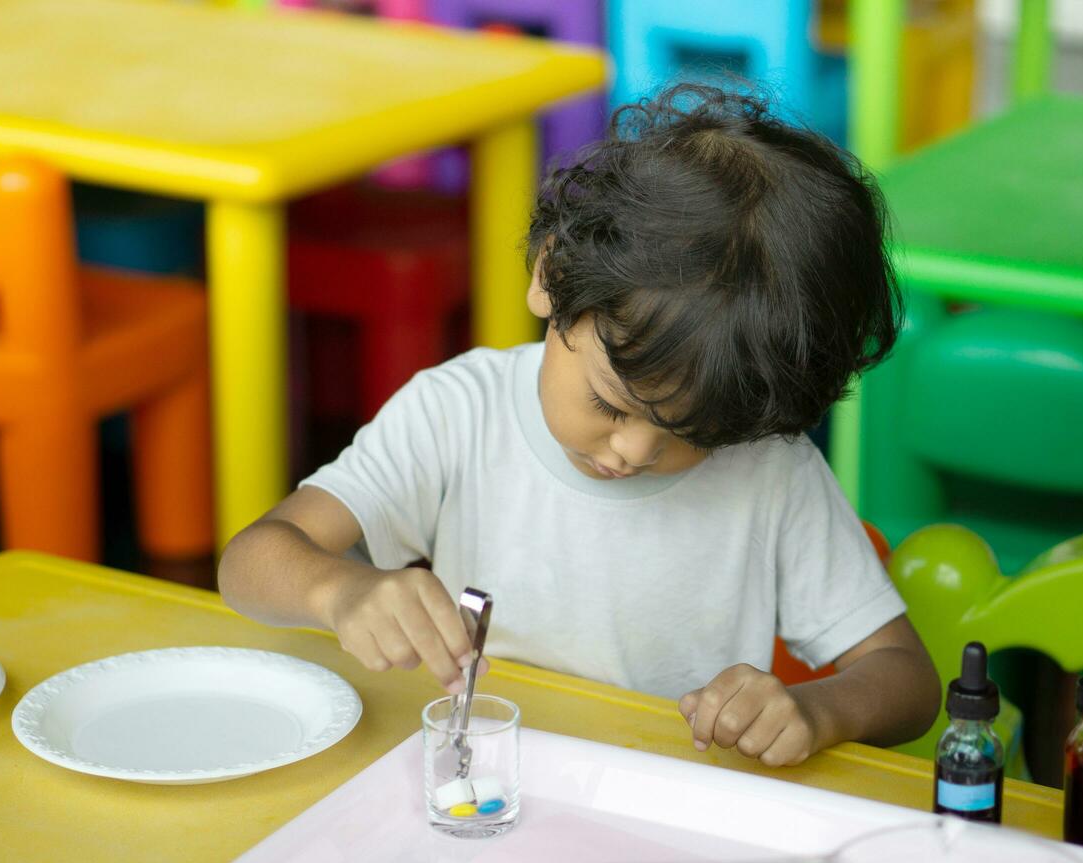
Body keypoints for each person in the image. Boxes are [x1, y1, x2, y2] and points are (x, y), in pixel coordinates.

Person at [219, 83, 942, 766]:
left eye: (695, 433)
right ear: (551, 274)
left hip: (664, 814)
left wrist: (818, 711)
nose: (632, 450)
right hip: (485, 791)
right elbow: (249, 564)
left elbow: (907, 681)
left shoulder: (770, 469)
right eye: (611, 404)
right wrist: (340, 591)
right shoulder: (458, 413)